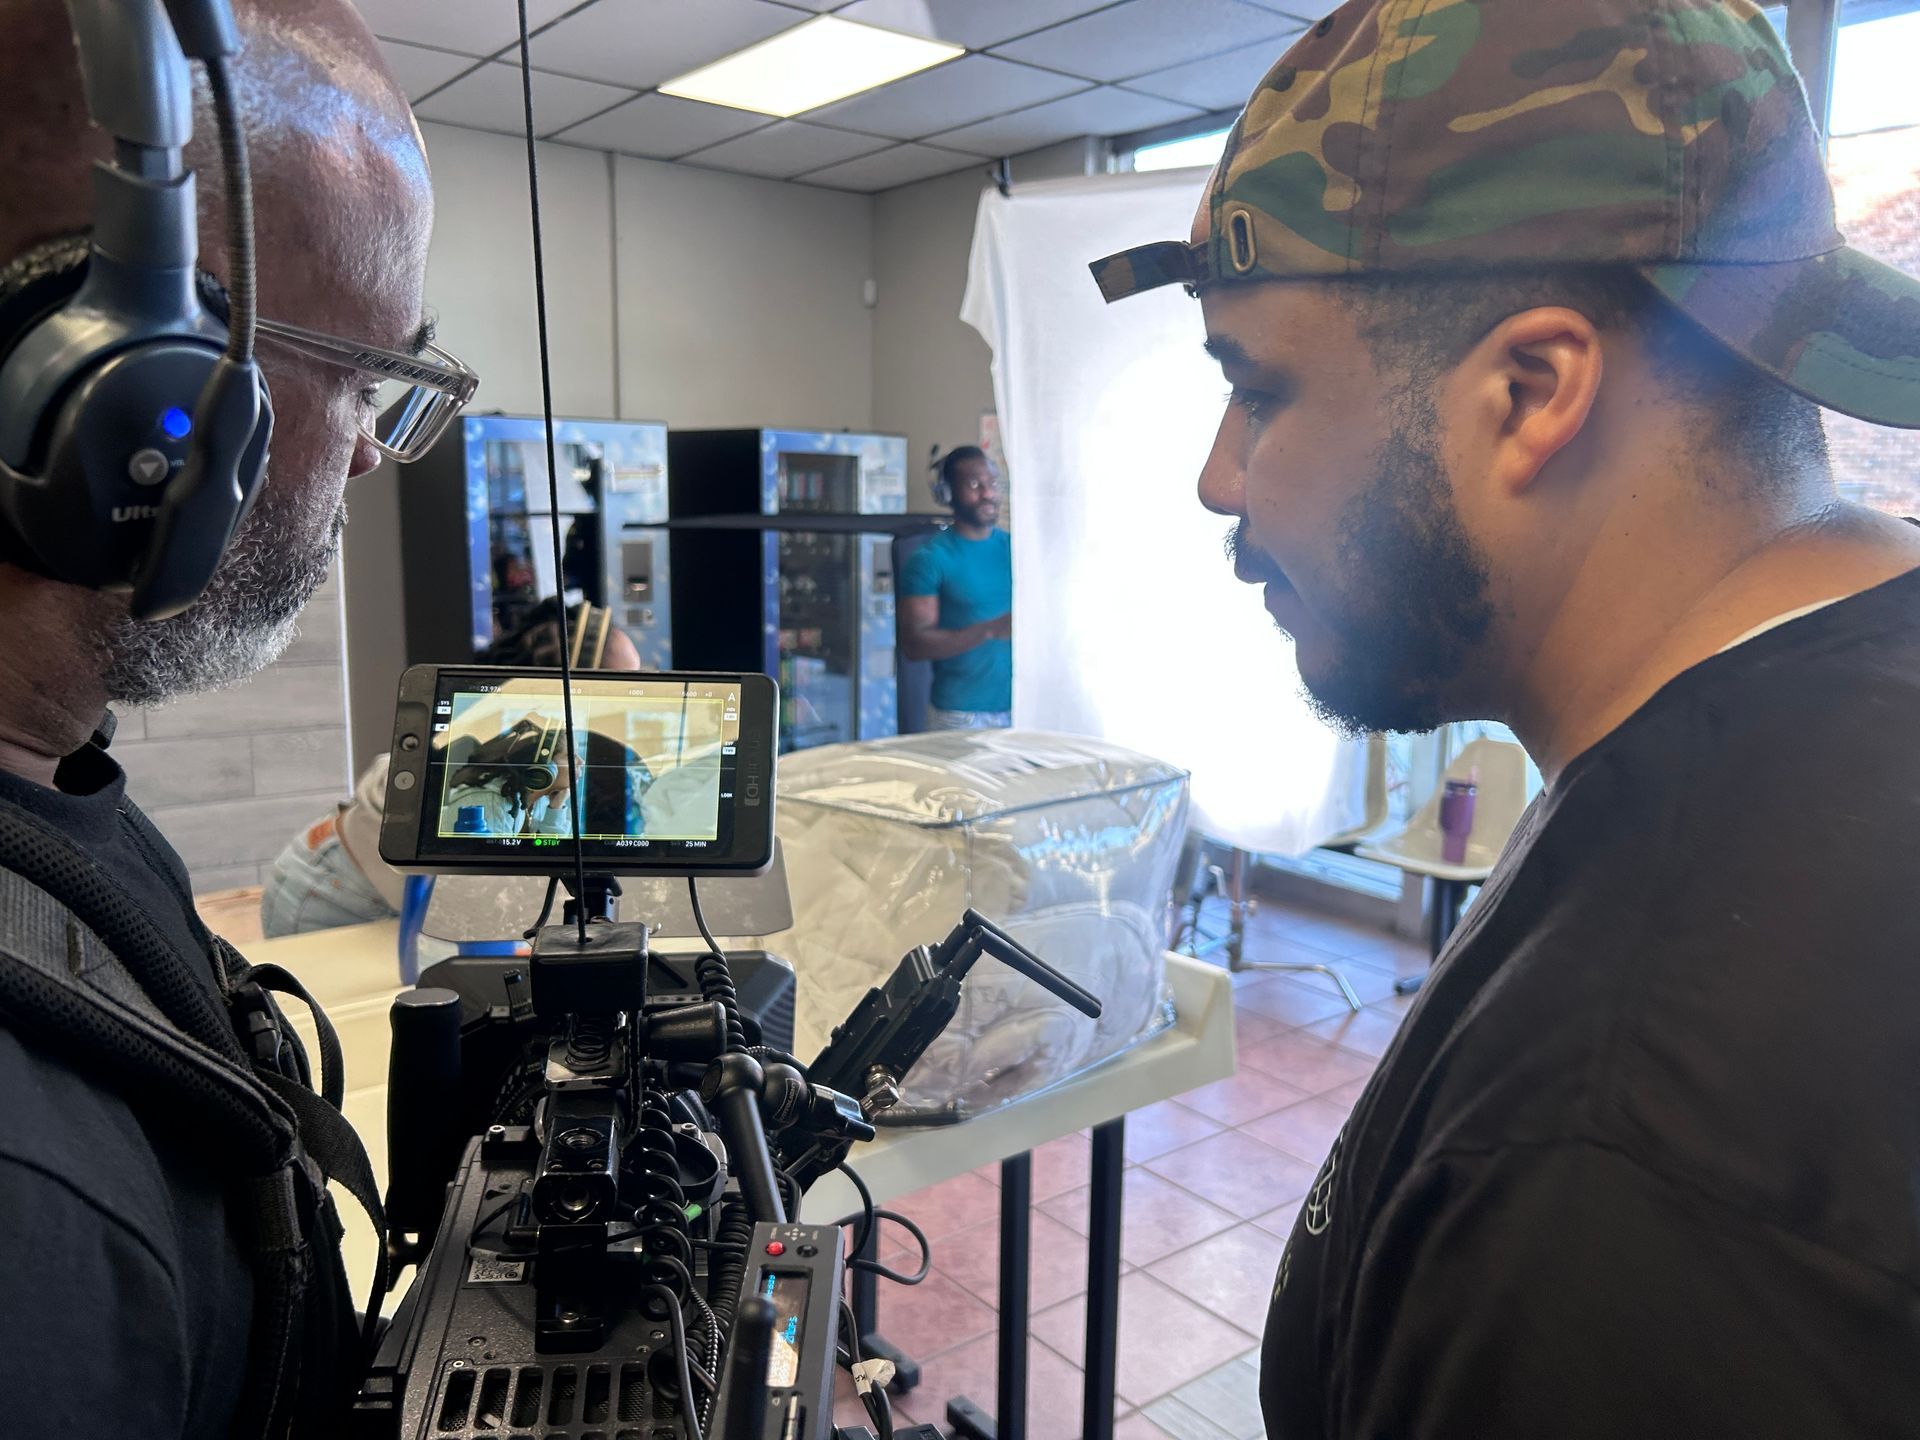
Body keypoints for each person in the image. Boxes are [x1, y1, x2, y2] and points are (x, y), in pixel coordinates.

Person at [1091, 2, 1920, 1435]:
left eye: (1259, 389)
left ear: (1531, 392)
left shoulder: (1610, 1164)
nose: (1220, 478)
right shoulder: (1843, 693)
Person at [0, 1, 451, 1431]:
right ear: (130, 392)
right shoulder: (31, 1221)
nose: (371, 451)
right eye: (369, 379)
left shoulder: (56, 788)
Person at [262, 597, 642, 934]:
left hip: (390, 899)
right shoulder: (480, 771)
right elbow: (487, 905)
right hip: (327, 897)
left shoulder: (542, 759)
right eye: (622, 685)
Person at [899, 445, 1014, 729]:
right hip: (959, 716)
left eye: (992, 483)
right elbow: (914, 645)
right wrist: (989, 630)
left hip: (1019, 710)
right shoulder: (930, 559)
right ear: (949, 493)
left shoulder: (1016, 549)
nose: (987, 493)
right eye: (974, 485)